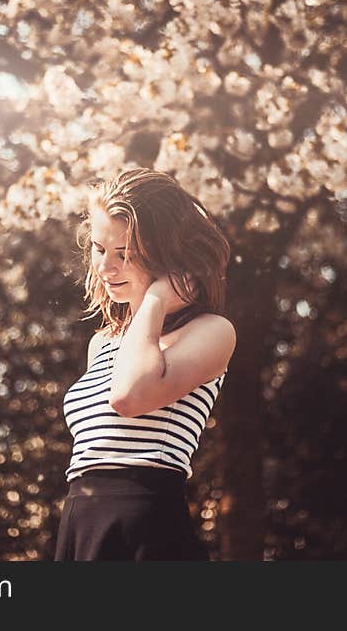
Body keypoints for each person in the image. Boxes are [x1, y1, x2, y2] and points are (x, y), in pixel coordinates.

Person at [54, 168, 236, 561]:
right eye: (100, 249)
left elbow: (129, 395)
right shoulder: (102, 343)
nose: (105, 268)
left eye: (126, 255)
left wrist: (155, 298)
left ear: (167, 259)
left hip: (146, 528)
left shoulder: (211, 331)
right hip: (79, 524)